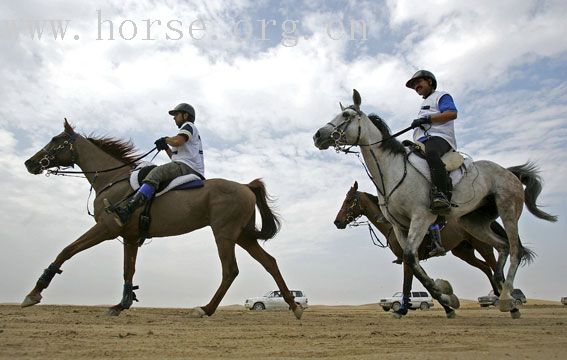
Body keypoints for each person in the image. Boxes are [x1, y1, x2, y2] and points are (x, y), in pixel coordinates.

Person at [104, 103, 205, 227]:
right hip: (185, 165)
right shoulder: (187, 131)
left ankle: (128, 210)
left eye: (176, 114)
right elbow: (175, 157)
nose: (174, 118)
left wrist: (165, 139)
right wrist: (165, 147)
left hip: (188, 167)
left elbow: (177, 141)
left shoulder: (188, 126)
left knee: (155, 173)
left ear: (185, 115)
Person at [406, 70, 458, 256]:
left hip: (440, 139)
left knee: (432, 154)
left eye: (418, 82)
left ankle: (442, 196)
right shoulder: (423, 104)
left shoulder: (441, 96)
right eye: (413, 86)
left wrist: (428, 119)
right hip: (423, 141)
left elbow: (452, 113)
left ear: (429, 81)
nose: (416, 87)